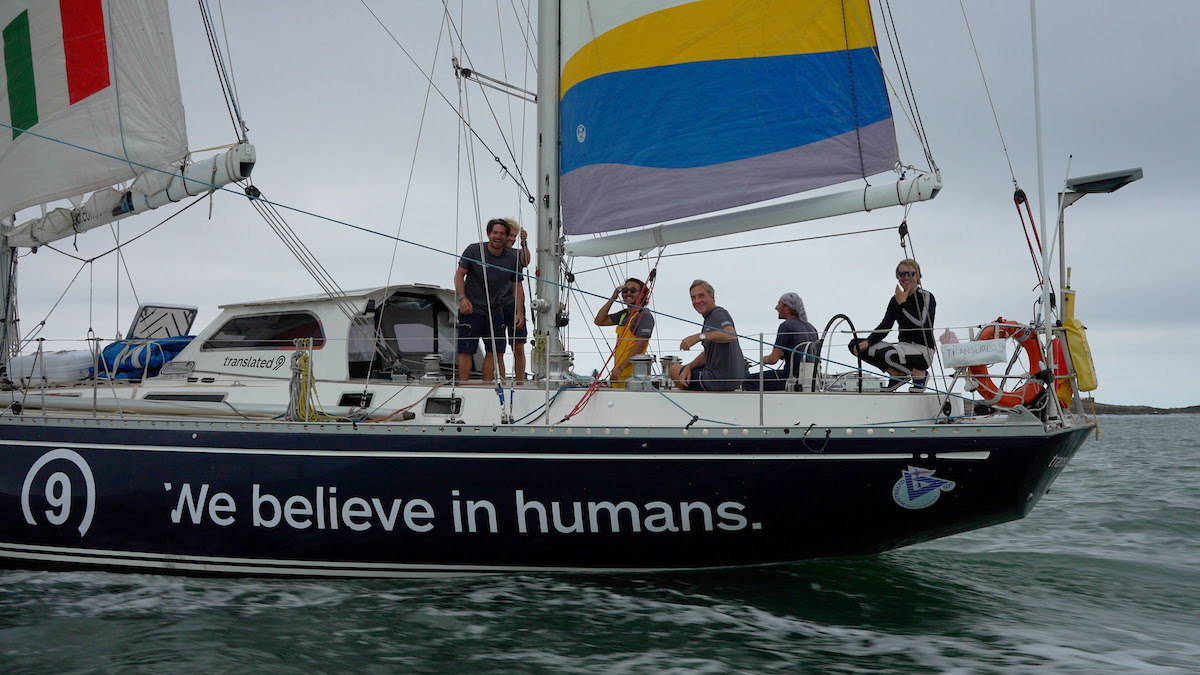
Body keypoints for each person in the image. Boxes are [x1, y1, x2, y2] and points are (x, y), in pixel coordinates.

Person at [849, 258, 936, 391]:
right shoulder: (895, 300)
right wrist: (868, 341)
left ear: (918, 277)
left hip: (922, 350)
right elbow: (886, 325)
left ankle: (919, 375)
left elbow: (921, 324)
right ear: (898, 277)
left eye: (911, 274)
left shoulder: (926, 296)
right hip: (903, 347)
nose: (907, 277)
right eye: (902, 274)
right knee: (855, 345)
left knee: (888, 354)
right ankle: (897, 375)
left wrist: (903, 304)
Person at [454, 218, 523, 382]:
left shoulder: (512, 259)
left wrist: (519, 312)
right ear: (488, 234)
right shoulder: (473, 250)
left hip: (496, 309)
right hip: (471, 308)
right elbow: (459, 274)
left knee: (494, 350)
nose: (498, 236)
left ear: (507, 237)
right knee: (466, 350)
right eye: (495, 233)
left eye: (501, 234)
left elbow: (517, 287)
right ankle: (464, 386)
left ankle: (487, 387)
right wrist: (462, 298)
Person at [668, 280, 744, 391]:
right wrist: (689, 366)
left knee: (673, 370)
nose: (697, 301)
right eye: (693, 298)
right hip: (732, 380)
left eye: (701, 296)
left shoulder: (718, 314)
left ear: (712, 297)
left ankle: (690, 404)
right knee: (685, 370)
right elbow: (708, 353)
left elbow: (731, 334)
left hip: (718, 380)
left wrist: (699, 337)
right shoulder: (710, 318)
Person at [744, 292, 819, 391]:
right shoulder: (811, 328)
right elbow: (802, 353)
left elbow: (773, 360)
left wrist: (764, 359)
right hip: (810, 379)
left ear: (786, 307)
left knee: (749, 380)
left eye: (779, 304)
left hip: (791, 377)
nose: (776, 308)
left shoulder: (786, 326)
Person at [594, 278, 655, 388]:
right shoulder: (623, 315)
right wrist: (613, 298)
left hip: (633, 375)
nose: (628, 293)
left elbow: (640, 346)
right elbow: (599, 320)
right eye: (625, 290)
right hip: (619, 374)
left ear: (642, 295)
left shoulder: (644, 315)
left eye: (633, 290)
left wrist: (620, 368)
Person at [502, 219, 530, 383]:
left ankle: (519, 382)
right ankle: (502, 379)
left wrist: (524, 242)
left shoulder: (517, 254)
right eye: (510, 236)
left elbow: (526, 261)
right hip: (496, 304)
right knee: (497, 347)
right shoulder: (491, 254)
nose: (512, 239)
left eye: (514, 236)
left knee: (518, 346)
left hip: (515, 305)